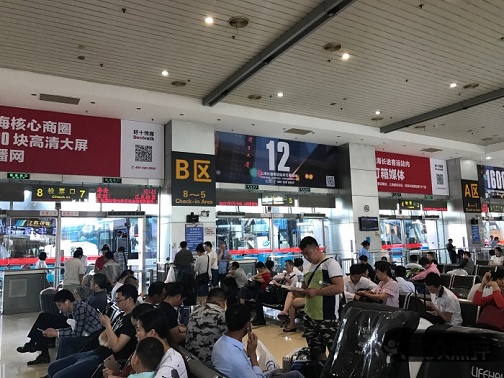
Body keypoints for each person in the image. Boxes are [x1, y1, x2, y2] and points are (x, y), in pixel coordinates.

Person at [47, 285, 139, 378]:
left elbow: (115, 347)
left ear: (130, 300)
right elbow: (102, 336)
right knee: (52, 368)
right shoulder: (121, 316)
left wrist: (107, 326)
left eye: (118, 300)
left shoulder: (131, 322)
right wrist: (108, 342)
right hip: (96, 351)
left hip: (105, 359)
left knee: (58, 376)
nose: (116, 303)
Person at [212, 304, 304, 378]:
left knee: (282, 372)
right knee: (295, 375)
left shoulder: (219, 343)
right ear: (247, 326)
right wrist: (252, 355)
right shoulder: (236, 358)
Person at [17, 289, 102, 365]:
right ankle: (54, 364)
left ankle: (56, 365)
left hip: (91, 336)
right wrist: (57, 331)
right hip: (86, 332)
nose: (59, 308)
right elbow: (76, 328)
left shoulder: (80, 309)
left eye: (59, 305)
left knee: (63, 339)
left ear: (67, 302)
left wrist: (57, 333)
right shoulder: (76, 308)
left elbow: (77, 333)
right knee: (44, 318)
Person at [299, 236, 343, 361]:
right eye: (304, 254)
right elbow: (305, 287)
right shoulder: (307, 268)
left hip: (327, 317)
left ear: (317, 249)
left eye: (308, 253)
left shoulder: (330, 264)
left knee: (334, 350)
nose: (307, 257)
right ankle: (320, 370)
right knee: (315, 350)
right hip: (310, 315)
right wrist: (300, 291)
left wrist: (317, 291)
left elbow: (339, 287)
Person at [131, 310, 188, 378]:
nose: (136, 335)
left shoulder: (172, 362)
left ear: (152, 332)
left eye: (138, 330)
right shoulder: (151, 352)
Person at [185, 288, 227, 364]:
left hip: (190, 360)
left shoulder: (195, 312)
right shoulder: (221, 314)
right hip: (209, 363)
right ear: (224, 302)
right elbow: (229, 342)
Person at [253, 259, 299, 325]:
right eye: (285, 265)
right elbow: (274, 277)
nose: (285, 267)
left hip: (283, 296)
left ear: (292, 266)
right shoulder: (284, 274)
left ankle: (260, 318)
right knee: (260, 295)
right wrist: (283, 278)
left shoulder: (294, 277)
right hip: (278, 293)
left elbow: (292, 288)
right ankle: (259, 318)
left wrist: (280, 285)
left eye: (287, 265)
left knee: (260, 296)